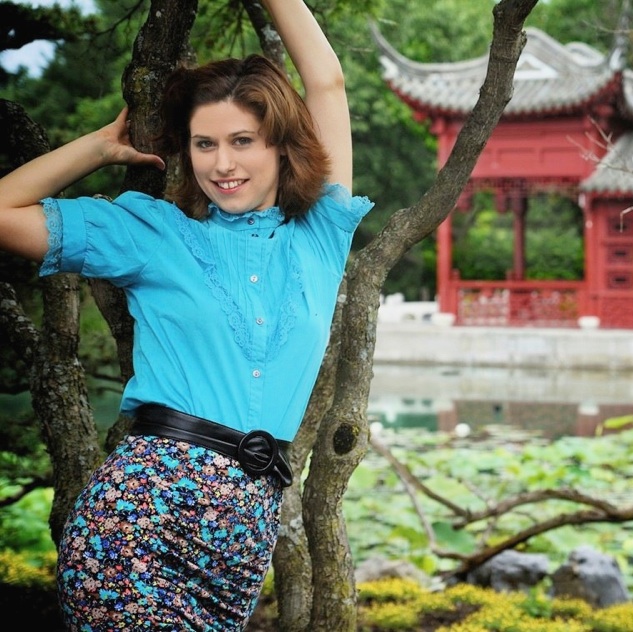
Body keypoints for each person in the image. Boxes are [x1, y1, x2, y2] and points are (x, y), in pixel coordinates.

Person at [0, 0, 372, 629]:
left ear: (281, 144)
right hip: (137, 531)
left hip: (241, 552)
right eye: (205, 144)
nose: (222, 164)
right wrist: (97, 147)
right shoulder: (152, 234)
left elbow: (326, 81)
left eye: (242, 142)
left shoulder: (320, 233)